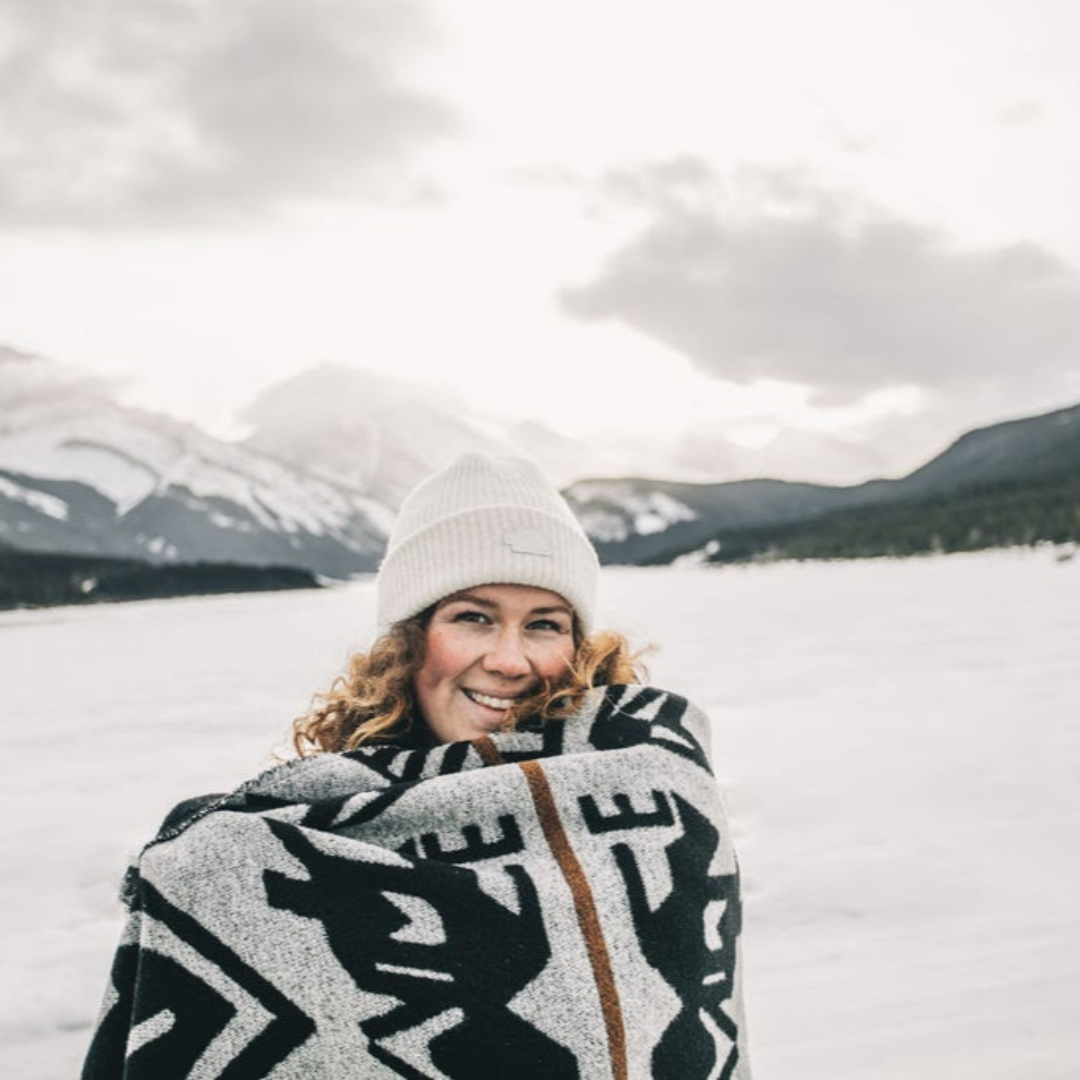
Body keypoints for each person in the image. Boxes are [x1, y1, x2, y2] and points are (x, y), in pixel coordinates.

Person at [82, 453, 751, 1079]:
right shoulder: (299, 842)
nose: (511, 660)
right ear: (409, 638)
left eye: (544, 624)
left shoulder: (661, 796)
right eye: (474, 618)